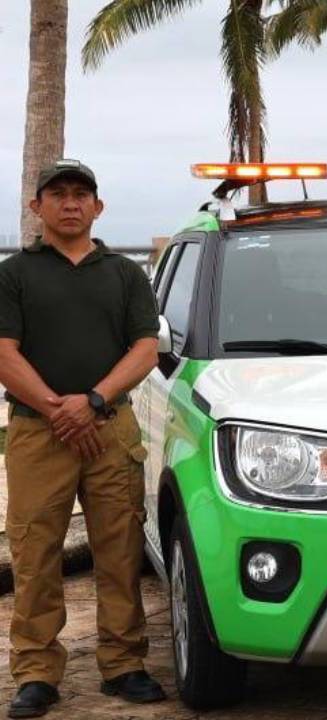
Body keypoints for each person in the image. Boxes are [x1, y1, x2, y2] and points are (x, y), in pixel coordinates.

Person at [0, 160, 166, 718]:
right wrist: (58, 410)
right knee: (35, 552)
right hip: (36, 431)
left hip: (109, 428)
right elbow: (4, 352)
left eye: (81, 195)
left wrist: (92, 402)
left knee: (119, 549)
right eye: (58, 194)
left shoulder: (124, 274)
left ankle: (123, 664)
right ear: (36, 206)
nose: (70, 204)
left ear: (98, 208)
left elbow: (144, 349)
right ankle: (37, 673)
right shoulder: (15, 274)